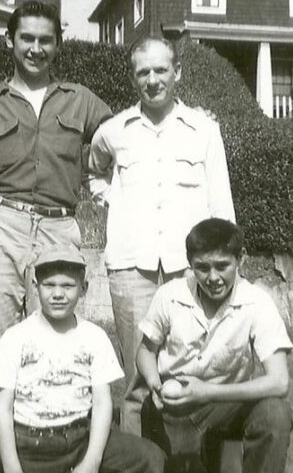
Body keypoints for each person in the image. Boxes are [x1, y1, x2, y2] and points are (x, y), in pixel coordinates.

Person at [0, 0, 113, 473]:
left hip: (59, 230)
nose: (36, 48)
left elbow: (124, 140)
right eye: (27, 38)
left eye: (46, 39)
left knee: (54, 353)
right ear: (10, 41)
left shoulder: (81, 100)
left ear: (58, 44)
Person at [88, 37, 236, 435]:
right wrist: (110, 199)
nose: (152, 80)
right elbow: (94, 169)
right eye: (143, 72)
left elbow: (221, 204)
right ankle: (140, 460)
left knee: (193, 368)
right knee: (138, 380)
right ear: (133, 77)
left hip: (190, 271)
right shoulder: (114, 130)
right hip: (130, 268)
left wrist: (226, 266)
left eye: (161, 70)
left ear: (177, 73)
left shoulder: (204, 129)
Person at [0, 242, 166, 473]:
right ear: (35, 285)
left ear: (84, 288)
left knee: (150, 457)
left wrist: (92, 461)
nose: (58, 294)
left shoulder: (94, 337)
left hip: (80, 437)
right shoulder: (15, 338)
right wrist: (11, 467)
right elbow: (2, 407)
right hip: (30, 444)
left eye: (68, 286)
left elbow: (102, 403)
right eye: (49, 285)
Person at [136, 218, 293, 473]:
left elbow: (279, 382)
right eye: (202, 268)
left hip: (231, 405)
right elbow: (145, 351)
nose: (213, 278)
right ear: (190, 264)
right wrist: (155, 384)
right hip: (177, 407)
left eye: (222, 266)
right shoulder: (170, 295)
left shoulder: (257, 302)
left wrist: (207, 392)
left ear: (240, 258)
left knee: (274, 414)